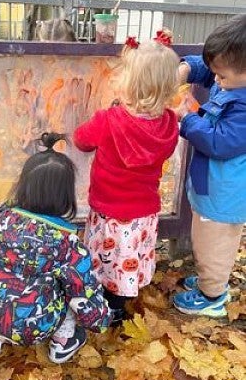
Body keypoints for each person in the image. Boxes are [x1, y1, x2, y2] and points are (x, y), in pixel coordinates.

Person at [0, 132, 113, 364]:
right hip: (36, 325)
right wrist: (101, 320)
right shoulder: (67, 244)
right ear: (65, 196)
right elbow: (84, 292)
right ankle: (62, 344)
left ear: (23, 186)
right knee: (70, 291)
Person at [73, 34, 179, 320]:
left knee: (107, 257)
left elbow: (81, 140)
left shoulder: (108, 120)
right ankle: (119, 304)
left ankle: (103, 303)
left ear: (129, 84)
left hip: (109, 209)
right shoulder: (168, 124)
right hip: (143, 212)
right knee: (128, 257)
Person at [172, 14, 246, 317]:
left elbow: (220, 143)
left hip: (224, 194)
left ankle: (212, 295)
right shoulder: (230, 82)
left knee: (215, 244)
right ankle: (208, 276)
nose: (215, 80)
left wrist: (188, 120)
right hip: (211, 187)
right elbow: (208, 66)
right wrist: (185, 69)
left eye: (221, 76)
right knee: (205, 238)